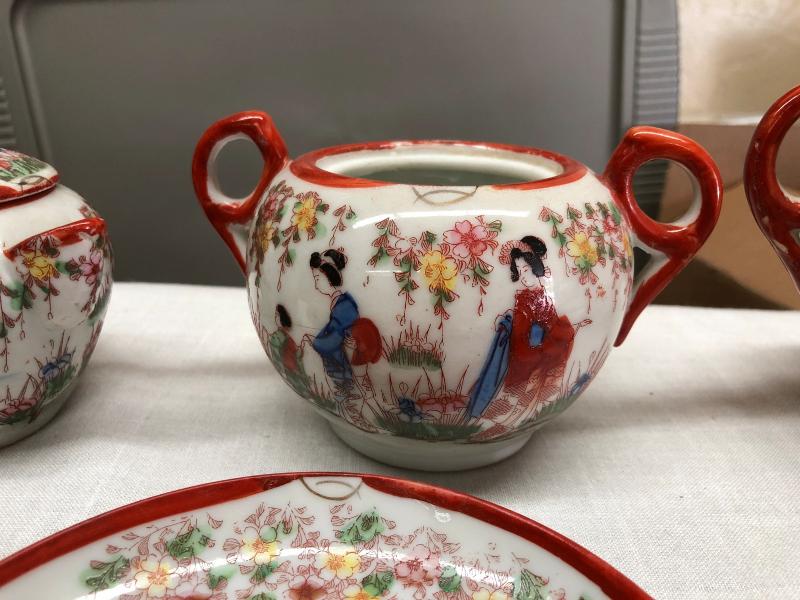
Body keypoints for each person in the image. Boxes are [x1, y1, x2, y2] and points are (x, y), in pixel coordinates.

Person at [467, 235, 575, 419]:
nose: (523, 277)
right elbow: (522, 335)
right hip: (523, 355)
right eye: (519, 271)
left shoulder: (542, 297)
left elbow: (547, 326)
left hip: (537, 353)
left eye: (525, 270)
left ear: (536, 267)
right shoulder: (523, 300)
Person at [267, 304, 306, 393]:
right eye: (275, 315)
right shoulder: (277, 337)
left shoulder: (286, 338)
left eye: (277, 315)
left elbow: (293, 352)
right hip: (290, 368)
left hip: (292, 368)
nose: (275, 317)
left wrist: (299, 351)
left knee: (300, 385)